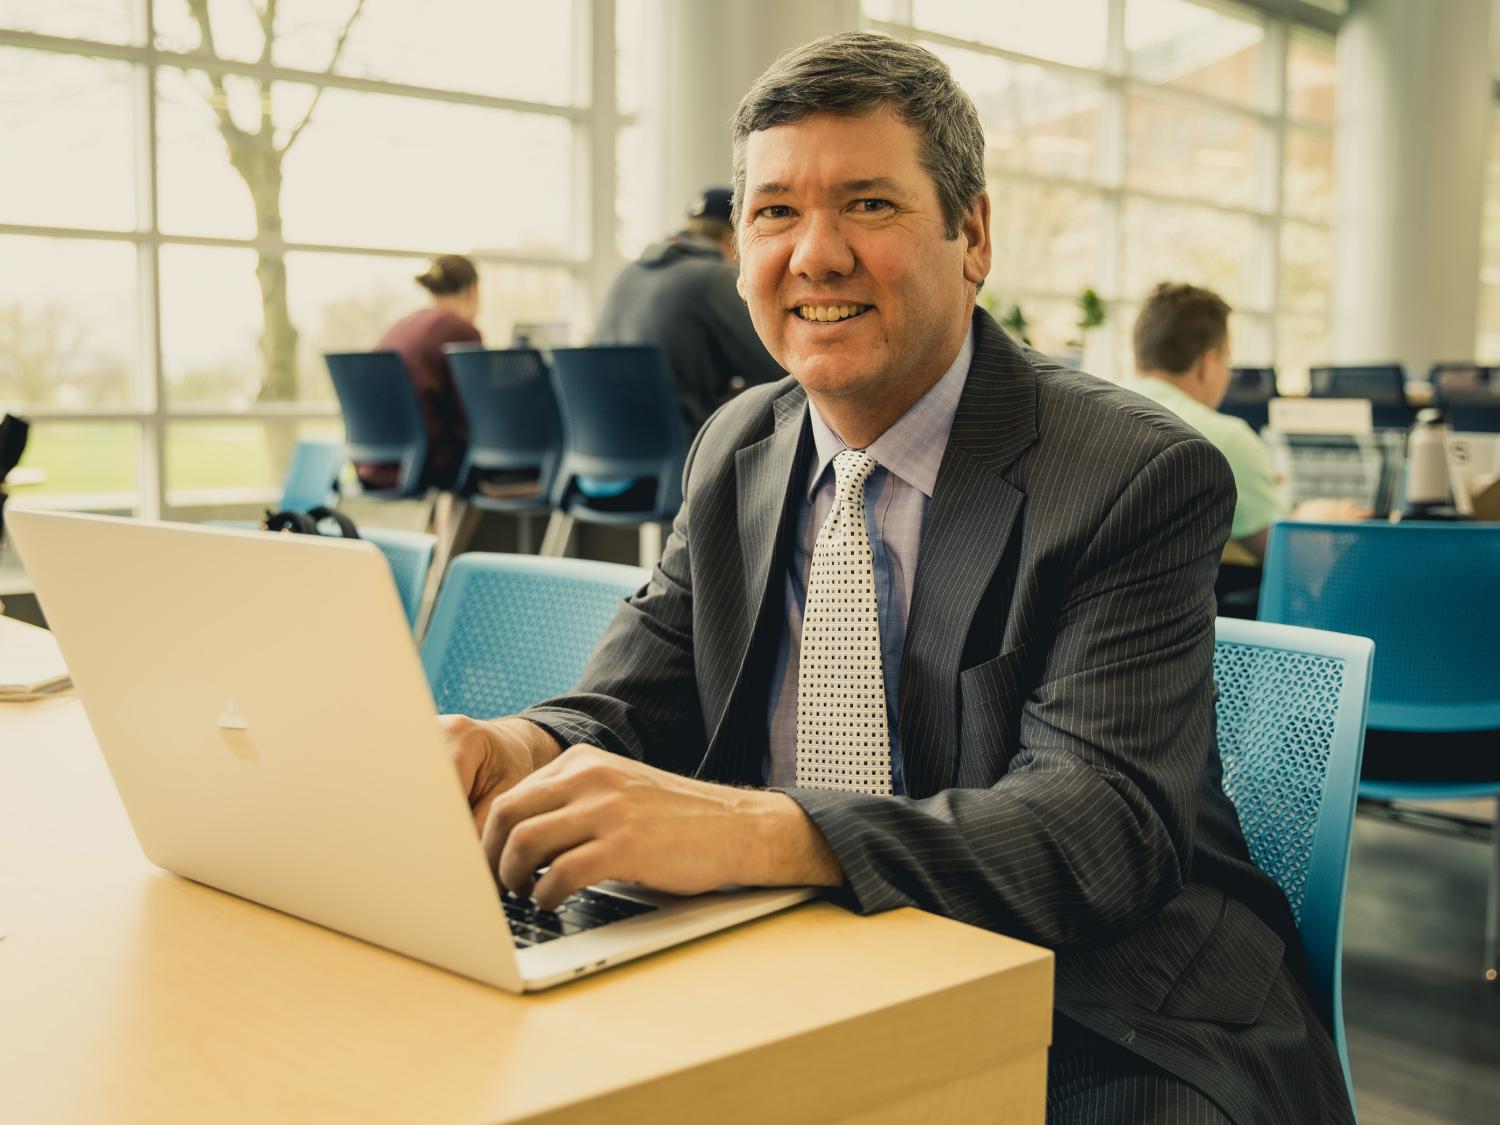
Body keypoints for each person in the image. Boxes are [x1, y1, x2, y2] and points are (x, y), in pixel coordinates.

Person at [442, 33, 1354, 1125]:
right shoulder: (738, 443)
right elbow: (637, 693)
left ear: (972, 235)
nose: (815, 255)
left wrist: (756, 830)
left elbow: (1098, 825)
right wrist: (514, 747)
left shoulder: (1132, 473)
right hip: (792, 963)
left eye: (868, 204)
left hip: (1097, 998)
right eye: (774, 211)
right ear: (738, 248)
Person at [1124, 282, 1368, 561]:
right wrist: (1316, 516)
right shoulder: (1223, 439)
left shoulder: (1090, 414)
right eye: (1227, 360)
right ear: (1208, 362)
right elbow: (1287, 556)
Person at [594, 187, 785, 432]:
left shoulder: (626, 274)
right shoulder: (715, 277)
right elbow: (776, 370)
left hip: (604, 436)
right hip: (683, 442)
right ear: (734, 237)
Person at [364, 254, 482, 491]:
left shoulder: (404, 323)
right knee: (488, 453)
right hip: (423, 461)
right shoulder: (460, 329)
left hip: (374, 461)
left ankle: (442, 527)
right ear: (472, 290)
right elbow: (474, 412)